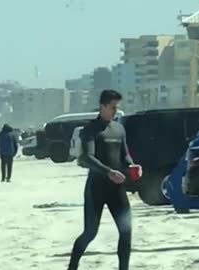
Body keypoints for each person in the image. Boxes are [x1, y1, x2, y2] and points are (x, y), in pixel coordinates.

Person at [67, 89, 141, 270]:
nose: (116, 111)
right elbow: (87, 158)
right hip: (96, 189)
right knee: (90, 232)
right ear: (103, 106)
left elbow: (124, 155)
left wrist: (132, 166)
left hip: (117, 189)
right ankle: (72, 267)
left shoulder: (119, 129)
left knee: (126, 231)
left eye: (117, 107)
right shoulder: (89, 130)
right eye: (113, 107)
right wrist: (109, 172)